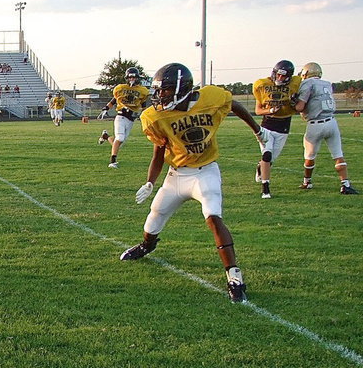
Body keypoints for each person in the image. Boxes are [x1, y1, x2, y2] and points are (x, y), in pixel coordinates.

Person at [120, 63, 269, 303]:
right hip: (176, 174)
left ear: (182, 88)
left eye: (166, 90)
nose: (161, 95)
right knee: (155, 215)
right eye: (159, 90)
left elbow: (235, 105)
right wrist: (150, 182)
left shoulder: (210, 97)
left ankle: (234, 275)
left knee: (212, 215)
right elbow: (159, 151)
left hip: (205, 172)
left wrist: (257, 130)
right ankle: (147, 246)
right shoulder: (155, 116)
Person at [293, 62, 358, 194]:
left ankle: (307, 182)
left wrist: (292, 103)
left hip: (315, 124)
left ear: (306, 73)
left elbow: (300, 107)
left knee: (309, 156)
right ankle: (345, 184)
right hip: (332, 122)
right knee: (338, 154)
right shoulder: (327, 83)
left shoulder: (307, 83)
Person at [253, 60, 302, 199]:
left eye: (284, 76)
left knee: (271, 159)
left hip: (283, 127)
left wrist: (294, 102)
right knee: (267, 155)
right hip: (267, 126)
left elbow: (298, 106)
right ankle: (265, 189)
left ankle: (260, 167)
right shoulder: (262, 85)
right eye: (278, 75)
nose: (280, 78)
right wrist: (270, 110)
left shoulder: (296, 83)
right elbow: (258, 110)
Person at [98, 67, 150, 168]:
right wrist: (106, 108)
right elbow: (114, 100)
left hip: (131, 119)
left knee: (118, 144)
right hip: (121, 116)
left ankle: (106, 137)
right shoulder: (121, 88)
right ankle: (112, 161)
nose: (132, 79)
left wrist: (144, 115)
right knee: (120, 138)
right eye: (130, 77)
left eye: (134, 77)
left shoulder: (142, 90)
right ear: (127, 78)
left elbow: (143, 104)